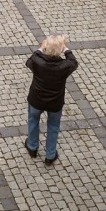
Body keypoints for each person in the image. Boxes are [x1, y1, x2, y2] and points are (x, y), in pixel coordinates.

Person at [25, 34, 78, 166]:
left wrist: (40, 48)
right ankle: (50, 155)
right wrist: (65, 48)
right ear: (60, 50)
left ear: (46, 48)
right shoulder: (65, 66)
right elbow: (73, 62)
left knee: (33, 121)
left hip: (36, 99)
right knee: (53, 127)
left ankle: (32, 147)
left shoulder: (38, 62)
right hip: (55, 102)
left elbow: (30, 60)